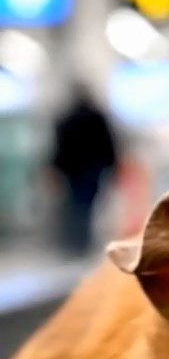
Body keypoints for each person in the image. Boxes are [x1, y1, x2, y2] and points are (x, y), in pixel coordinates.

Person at [50, 84, 119, 256]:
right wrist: (112, 164)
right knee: (87, 205)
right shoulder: (96, 118)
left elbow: (60, 148)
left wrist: (56, 168)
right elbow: (107, 143)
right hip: (92, 169)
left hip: (73, 171)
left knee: (76, 206)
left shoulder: (66, 119)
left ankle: (76, 242)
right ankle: (83, 242)